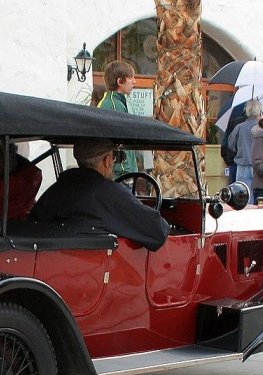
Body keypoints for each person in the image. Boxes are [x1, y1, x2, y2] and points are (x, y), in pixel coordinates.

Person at [29, 138, 170, 251]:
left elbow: (32, 222)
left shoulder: (56, 190)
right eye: (114, 157)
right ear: (107, 160)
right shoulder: (109, 194)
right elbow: (158, 231)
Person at [97, 61, 138, 175]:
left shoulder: (112, 102)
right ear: (120, 81)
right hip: (120, 175)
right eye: (130, 78)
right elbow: (119, 143)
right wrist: (126, 173)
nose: (134, 81)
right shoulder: (114, 106)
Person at [227, 99, 262, 203]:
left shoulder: (239, 127)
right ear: (259, 111)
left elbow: (231, 145)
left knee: (244, 198)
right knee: (260, 198)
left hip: (242, 166)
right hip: (259, 166)